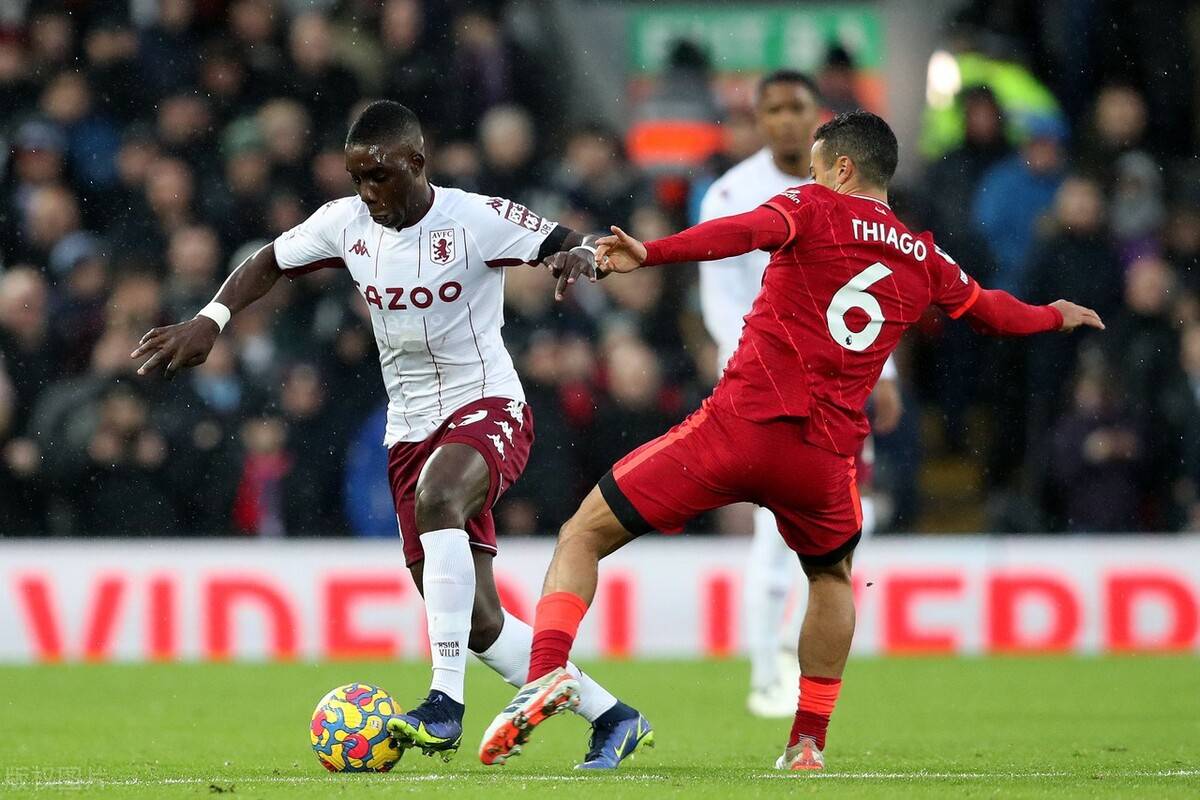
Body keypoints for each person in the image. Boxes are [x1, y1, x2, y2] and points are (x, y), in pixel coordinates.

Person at [479, 111, 1103, 771]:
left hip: (740, 429)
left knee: (584, 533)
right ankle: (807, 741)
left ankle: (546, 671)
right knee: (831, 577)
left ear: (842, 168)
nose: (809, 175)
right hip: (824, 459)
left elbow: (742, 232)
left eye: (815, 165)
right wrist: (1052, 316)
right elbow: (990, 312)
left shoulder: (814, 207)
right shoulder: (924, 256)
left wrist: (651, 253)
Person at [130, 100, 648, 769]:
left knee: (440, 498)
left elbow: (564, 237)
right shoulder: (345, 223)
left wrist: (580, 255)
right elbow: (269, 260)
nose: (368, 192)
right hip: (408, 431)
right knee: (479, 625)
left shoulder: (473, 218)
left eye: (379, 176)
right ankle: (614, 717)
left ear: (416, 162)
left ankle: (444, 703)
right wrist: (212, 319)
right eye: (357, 178)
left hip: (487, 405)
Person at [698, 70, 902, 718]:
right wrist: (762, 366)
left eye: (797, 108)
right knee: (771, 529)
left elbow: (875, 285)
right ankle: (765, 672)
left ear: (820, 116)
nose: (786, 119)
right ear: (758, 120)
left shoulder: (850, 190)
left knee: (852, 524)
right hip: (768, 384)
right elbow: (720, 301)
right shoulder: (730, 194)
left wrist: (886, 372)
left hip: (839, 383)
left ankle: (791, 641)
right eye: (774, 109)